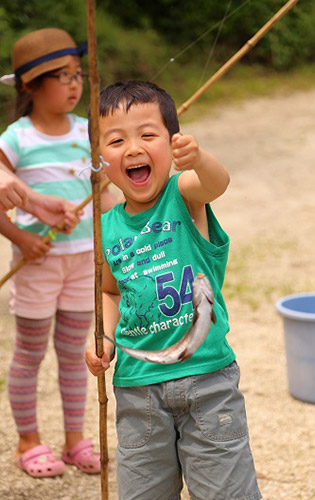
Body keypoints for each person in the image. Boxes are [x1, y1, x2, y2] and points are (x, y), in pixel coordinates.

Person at [85, 80, 262, 500]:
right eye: (115, 140)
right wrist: (105, 338)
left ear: (172, 143)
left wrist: (198, 158)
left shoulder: (183, 195)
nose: (132, 148)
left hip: (207, 382)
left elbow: (216, 183)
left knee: (226, 492)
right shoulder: (105, 227)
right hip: (137, 389)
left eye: (148, 135)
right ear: (99, 159)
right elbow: (110, 294)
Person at [0, 28, 117, 478]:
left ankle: (75, 439)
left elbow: (105, 195)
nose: (74, 85)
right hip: (38, 263)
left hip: (84, 264)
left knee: (74, 355)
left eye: (77, 75)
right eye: (61, 76)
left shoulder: (89, 134)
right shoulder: (16, 139)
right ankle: (28, 441)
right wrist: (21, 238)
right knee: (29, 354)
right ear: (29, 86)